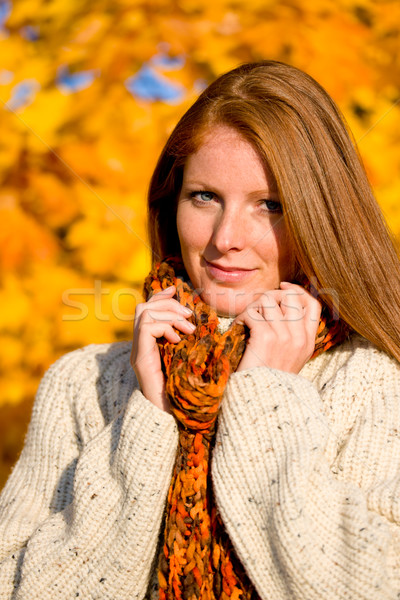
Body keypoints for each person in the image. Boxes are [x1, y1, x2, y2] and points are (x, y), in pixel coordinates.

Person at [1, 60, 400, 600]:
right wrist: (150, 415)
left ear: (321, 216)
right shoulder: (80, 384)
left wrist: (265, 398)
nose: (226, 238)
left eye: (270, 205)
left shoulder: (377, 385)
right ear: (172, 205)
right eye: (205, 197)